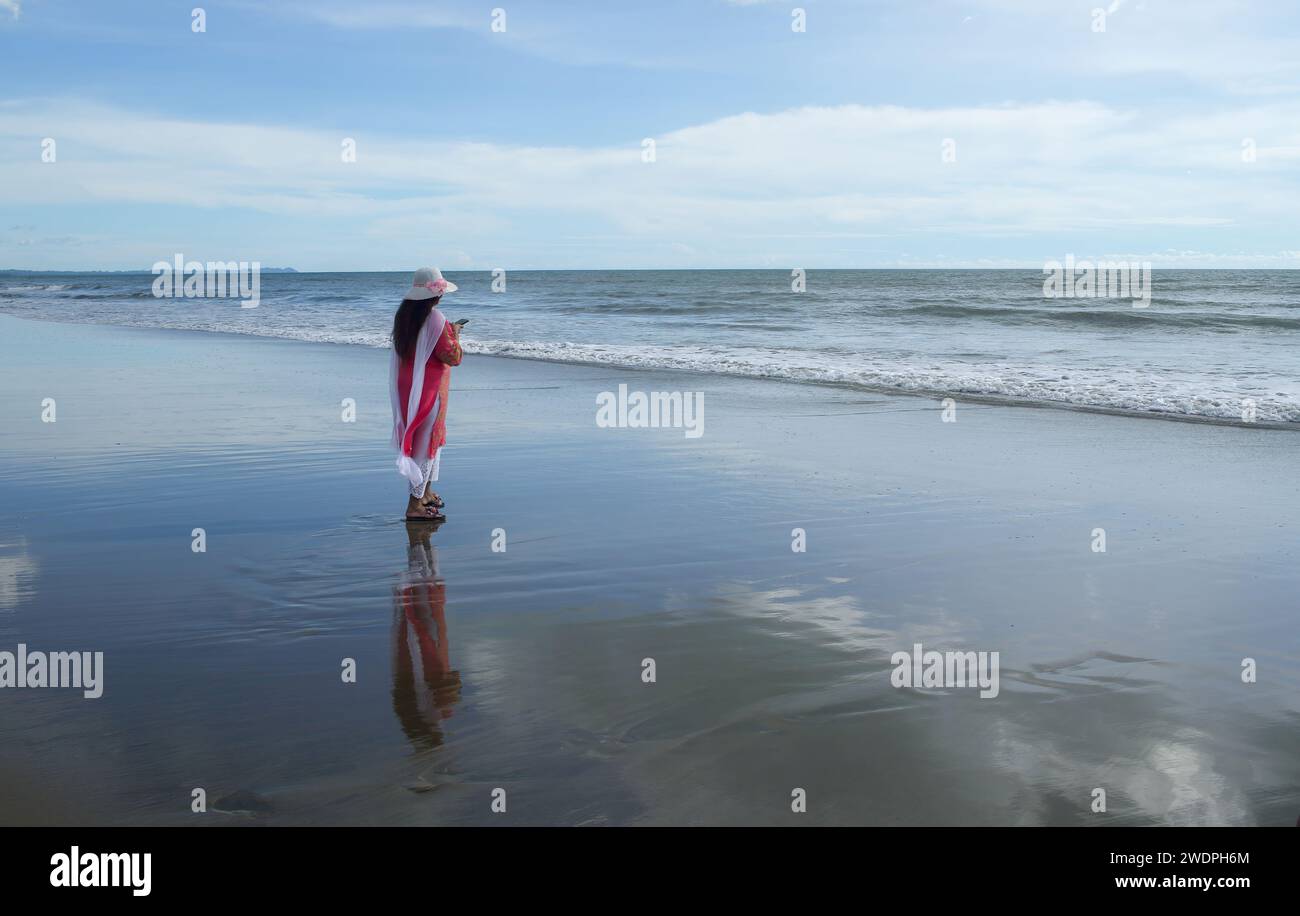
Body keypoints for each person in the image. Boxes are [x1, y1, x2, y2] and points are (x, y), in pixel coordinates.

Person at [390, 267, 463, 520]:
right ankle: (415, 505)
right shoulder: (436, 319)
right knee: (427, 442)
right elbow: (451, 356)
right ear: (435, 295)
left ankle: (426, 492)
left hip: (408, 385)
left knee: (426, 437)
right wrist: (454, 335)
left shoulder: (404, 317)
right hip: (430, 388)